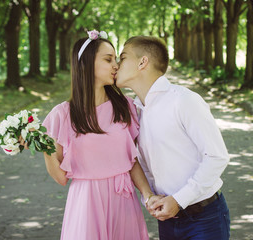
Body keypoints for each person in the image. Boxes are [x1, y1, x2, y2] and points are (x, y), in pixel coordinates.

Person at [39, 30, 156, 240]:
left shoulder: (125, 106)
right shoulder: (62, 115)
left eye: (116, 59)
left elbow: (132, 161)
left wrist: (147, 195)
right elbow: (60, 178)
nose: (116, 65)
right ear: (87, 63)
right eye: (108, 59)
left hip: (123, 200)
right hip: (86, 203)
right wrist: (44, 147)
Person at [115, 36, 231, 240]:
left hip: (205, 218)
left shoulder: (184, 100)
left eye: (122, 57)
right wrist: (149, 198)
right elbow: (144, 165)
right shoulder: (135, 111)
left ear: (143, 62)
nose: (117, 64)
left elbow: (217, 157)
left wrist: (179, 199)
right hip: (168, 220)